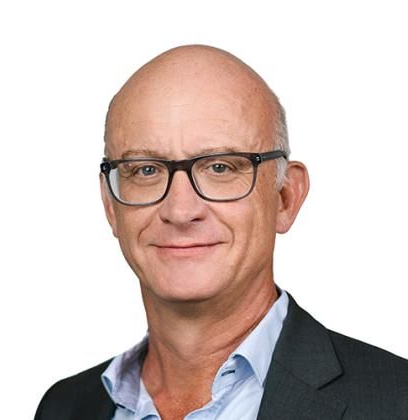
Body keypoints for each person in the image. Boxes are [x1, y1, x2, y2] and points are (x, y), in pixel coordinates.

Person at [34, 45, 408, 420]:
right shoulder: (64, 408)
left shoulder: (396, 401)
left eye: (220, 167)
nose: (180, 211)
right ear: (110, 205)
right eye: (146, 170)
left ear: (285, 198)